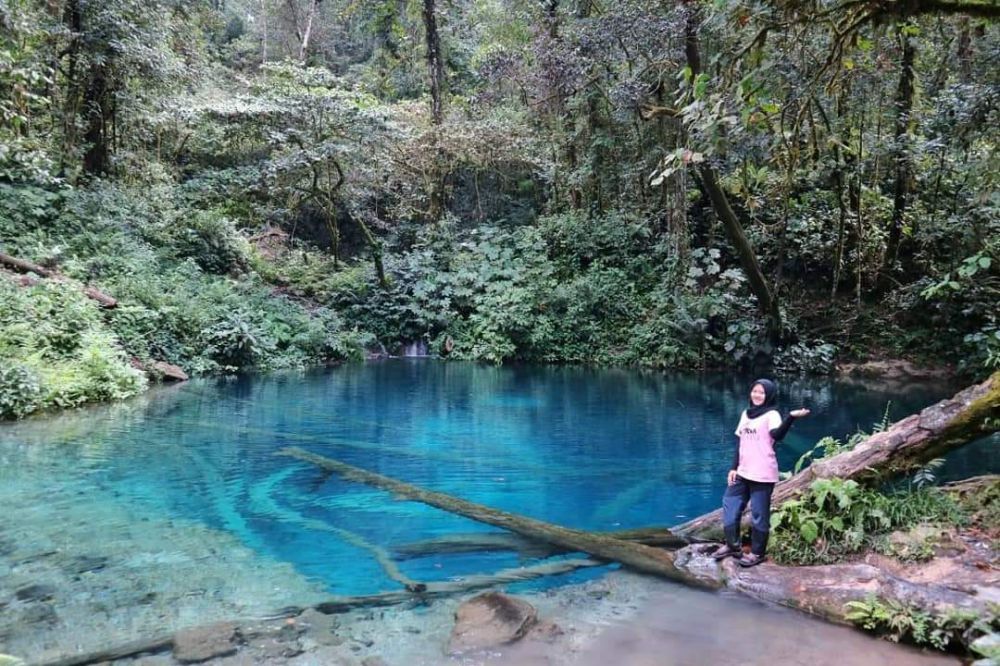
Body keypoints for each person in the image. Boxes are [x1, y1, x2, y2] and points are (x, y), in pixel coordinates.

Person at [712, 378, 809, 567]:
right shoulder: (746, 414)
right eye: (755, 391)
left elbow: (777, 435)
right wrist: (733, 467)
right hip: (743, 471)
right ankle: (733, 546)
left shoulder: (772, 415)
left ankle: (757, 553)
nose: (757, 395)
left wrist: (791, 417)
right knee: (730, 507)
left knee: (759, 515)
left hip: (763, 473)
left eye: (762, 392)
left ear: (769, 395)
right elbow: (739, 442)